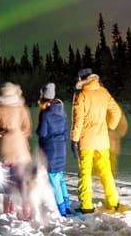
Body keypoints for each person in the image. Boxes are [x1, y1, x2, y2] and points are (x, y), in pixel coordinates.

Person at [70, 68, 124, 214]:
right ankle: (113, 202)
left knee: (85, 173)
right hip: (102, 140)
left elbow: (78, 122)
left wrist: (74, 140)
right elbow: (116, 112)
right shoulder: (103, 92)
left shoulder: (81, 95)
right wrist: (109, 128)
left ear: (81, 79)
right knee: (106, 172)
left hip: (86, 141)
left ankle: (87, 205)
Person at [0, 82, 35, 219]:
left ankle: (7, 208)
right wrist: (19, 134)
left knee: (7, 181)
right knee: (22, 180)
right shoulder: (21, 108)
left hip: (4, 148)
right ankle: (26, 209)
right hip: (19, 149)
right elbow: (27, 128)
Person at [37, 82, 71, 217]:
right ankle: (67, 206)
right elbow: (66, 131)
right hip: (61, 148)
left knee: (54, 180)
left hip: (51, 150)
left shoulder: (46, 114)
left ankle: (61, 210)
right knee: (60, 178)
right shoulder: (61, 110)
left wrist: (38, 130)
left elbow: (43, 133)